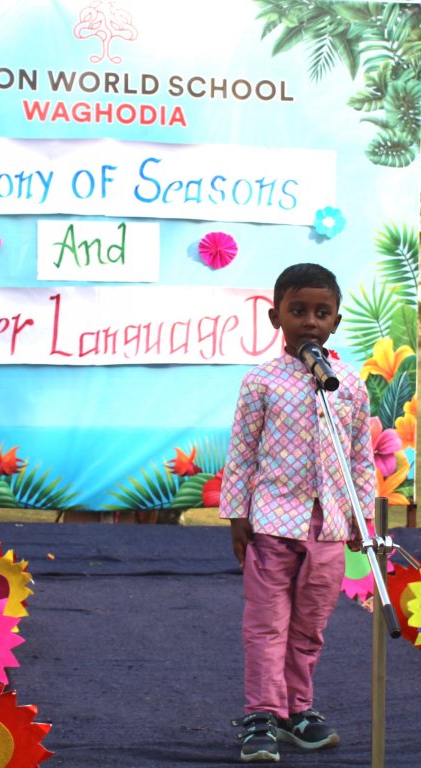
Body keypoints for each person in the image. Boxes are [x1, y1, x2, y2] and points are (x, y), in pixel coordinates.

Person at [219, 263, 375, 763]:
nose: (310, 321)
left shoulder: (349, 385)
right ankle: (262, 713)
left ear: (336, 322)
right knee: (267, 624)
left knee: (310, 627)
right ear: (276, 317)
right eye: (299, 310)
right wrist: (237, 515)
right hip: (271, 524)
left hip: (329, 529)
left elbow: (359, 458)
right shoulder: (261, 382)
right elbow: (242, 452)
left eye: (322, 312)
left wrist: (362, 518)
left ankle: (297, 711)